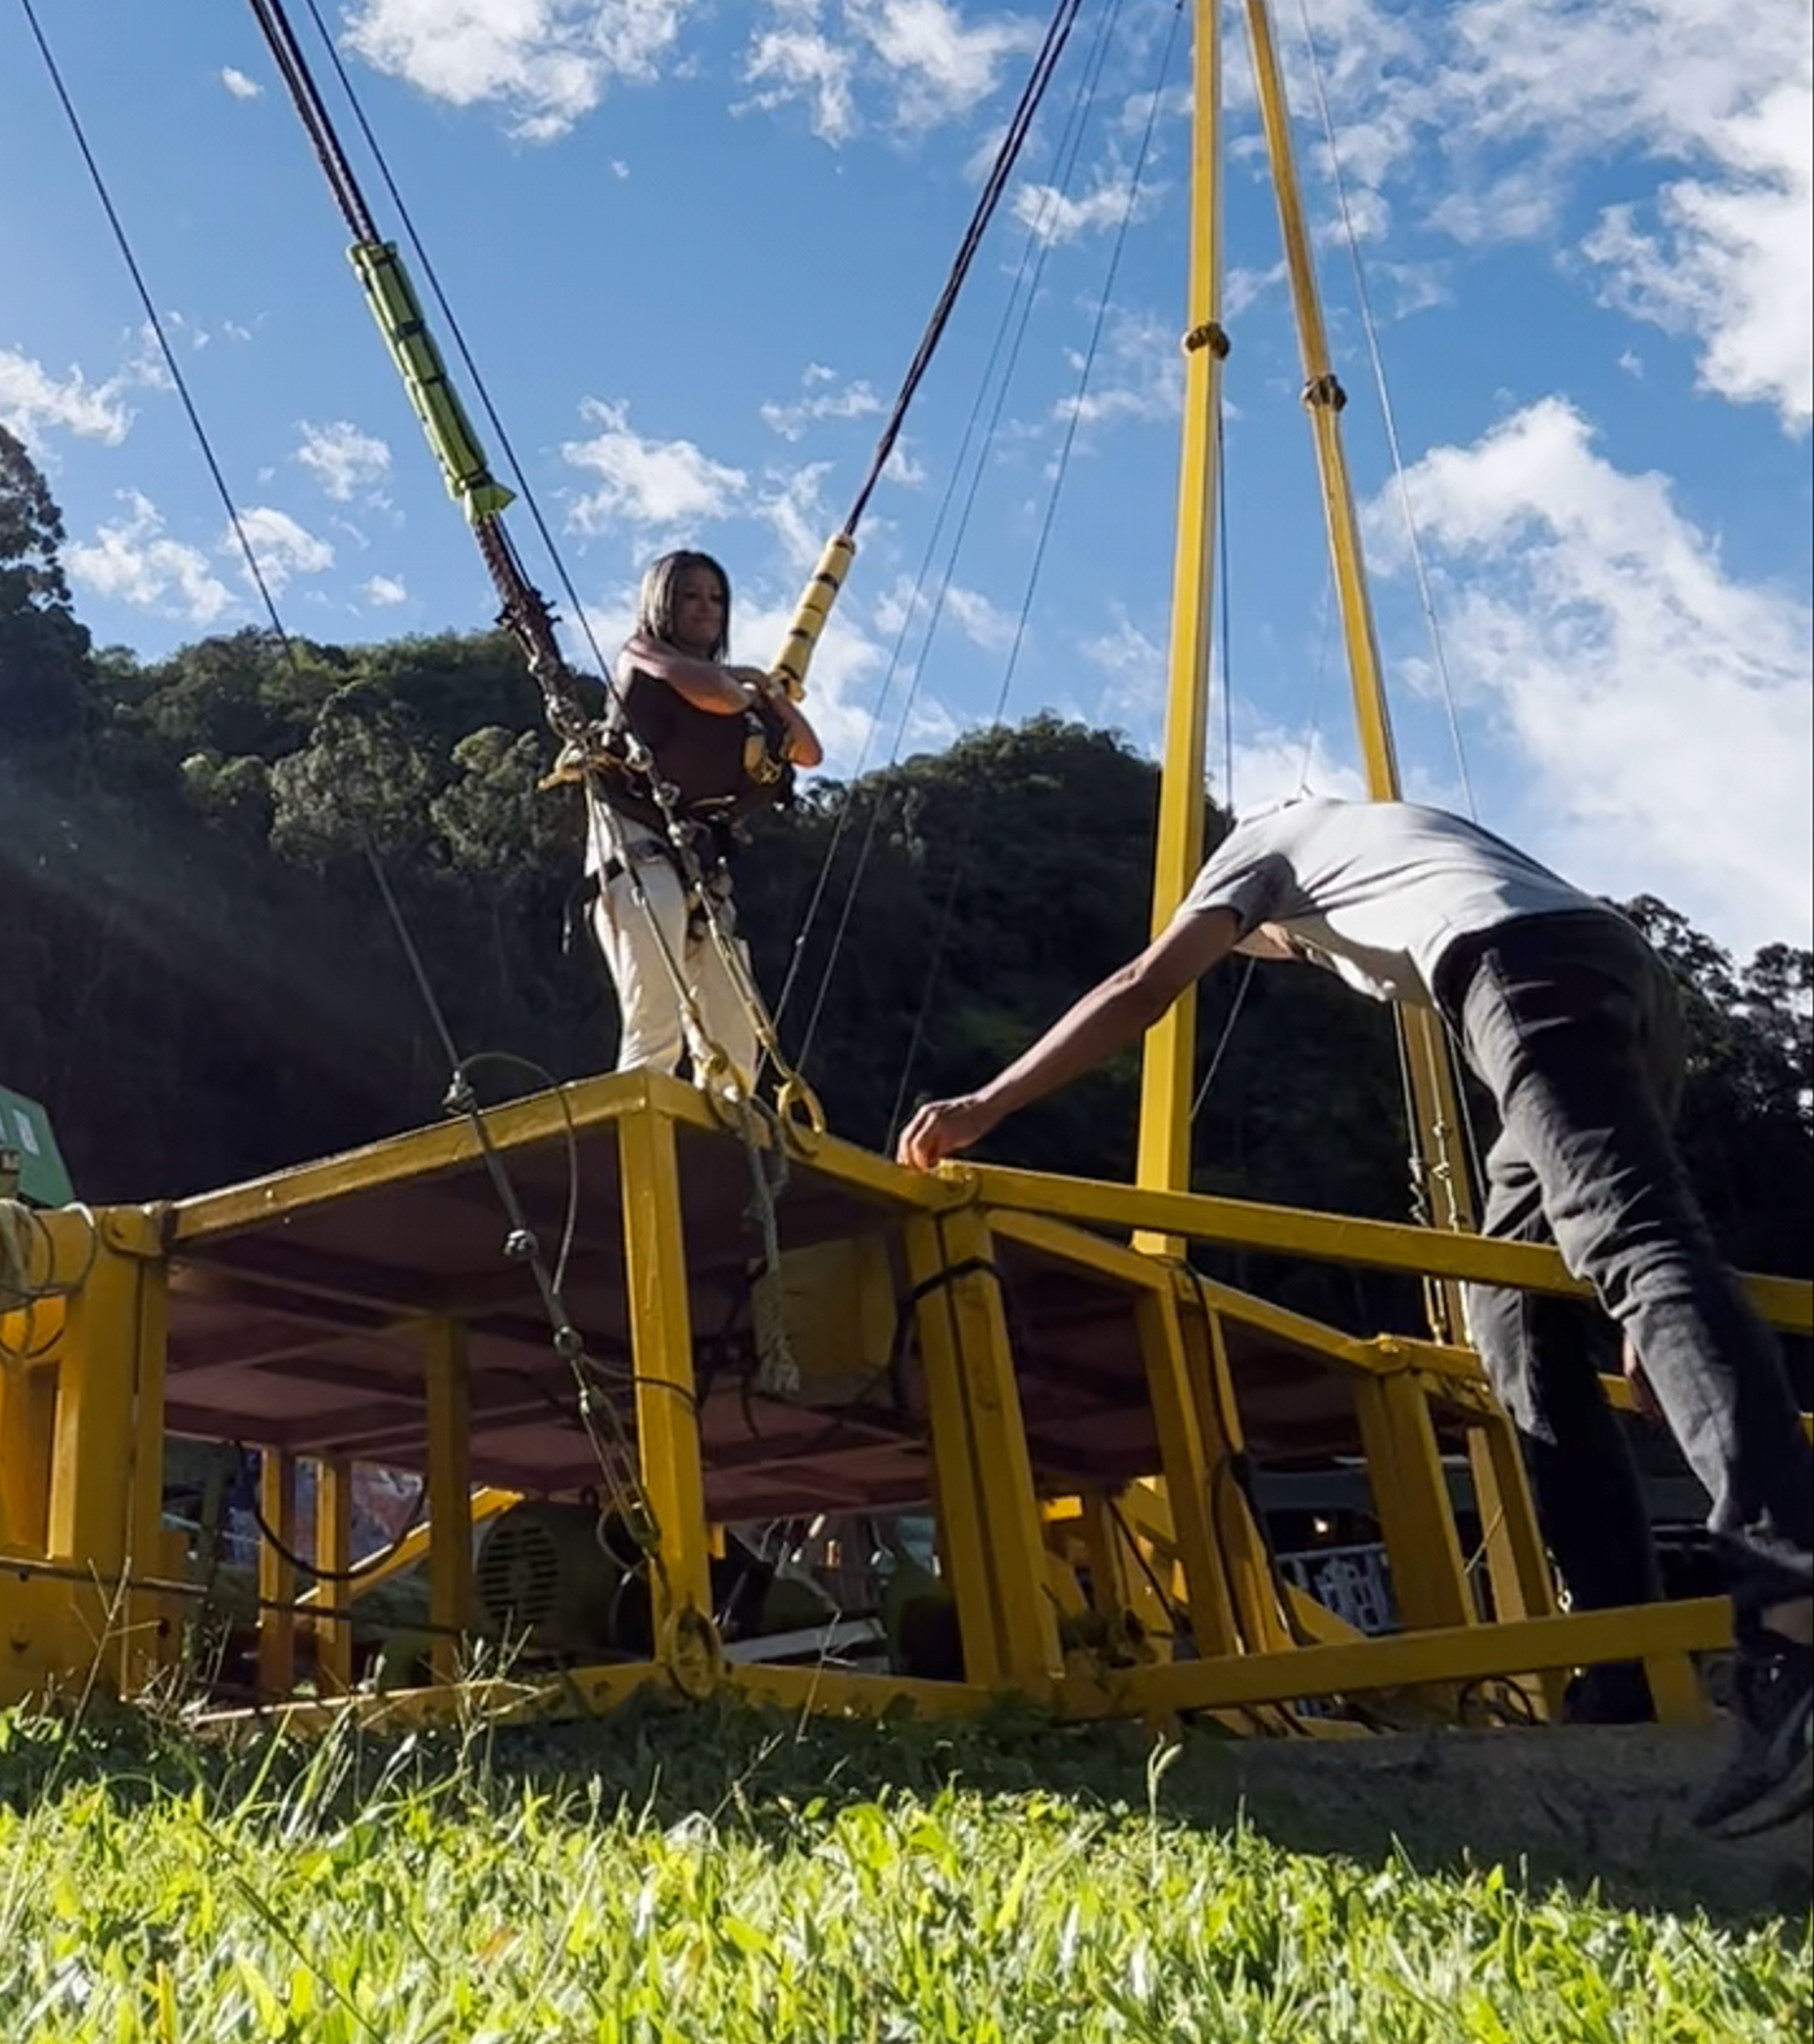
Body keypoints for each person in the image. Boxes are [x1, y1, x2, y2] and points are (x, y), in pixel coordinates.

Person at [891, 790, 1813, 1829]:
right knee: (1513, 1302)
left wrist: (985, 1104)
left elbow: (1144, 983)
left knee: (1632, 1239)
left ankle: (1789, 1595)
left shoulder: (1262, 843)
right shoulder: (1400, 834)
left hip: (1515, 969)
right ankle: (1620, 1662)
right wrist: (1649, 1316)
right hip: (1626, 977)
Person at [585, 549, 819, 1093]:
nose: (705, 609)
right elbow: (715, 693)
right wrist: (745, 682)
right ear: (661, 602)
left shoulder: (746, 701)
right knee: (657, 1007)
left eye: (715, 599)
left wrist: (771, 692)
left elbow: (807, 751)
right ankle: (643, 1112)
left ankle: (734, 1133)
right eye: (689, 596)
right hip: (635, 836)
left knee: (733, 1017)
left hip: (698, 857)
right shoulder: (641, 656)